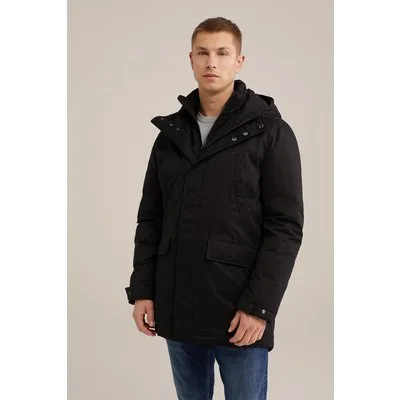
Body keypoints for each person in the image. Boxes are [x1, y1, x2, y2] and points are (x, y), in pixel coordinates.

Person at [125, 16, 304, 400]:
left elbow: (285, 227)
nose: (211, 62)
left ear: (239, 61)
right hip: (177, 307)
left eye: (222, 53)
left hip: (239, 313)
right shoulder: (170, 137)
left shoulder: (271, 133)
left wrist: (260, 307)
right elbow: (151, 219)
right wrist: (143, 290)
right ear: (191, 59)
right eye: (203, 53)